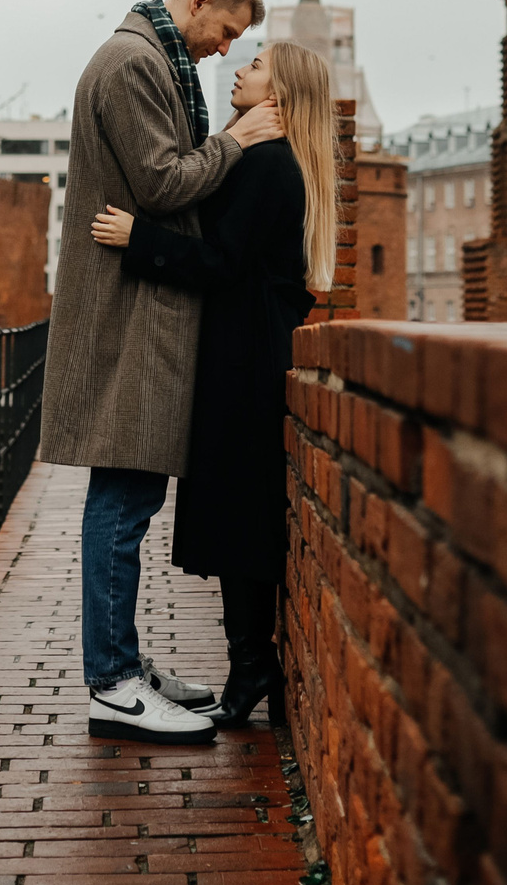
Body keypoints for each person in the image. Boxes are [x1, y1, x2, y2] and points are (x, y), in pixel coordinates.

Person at [41, 0, 285, 746]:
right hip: (127, 320)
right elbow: (164, 183)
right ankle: (111, 683)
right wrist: (241, 140)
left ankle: (124, 663)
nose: (224, 50)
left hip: (136, 313)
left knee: (130, 499)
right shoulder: (133, 63)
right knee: (121, 503)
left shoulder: (147, 59)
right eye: (226, 31)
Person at [91, 38, 333, 727]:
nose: (240, 69)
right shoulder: (267, 160)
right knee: (241, 507)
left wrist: (140, 239)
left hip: (247, 353)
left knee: (242, 510)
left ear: (280, 96)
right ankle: (248, 663)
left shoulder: (269, 166)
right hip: (248, 344)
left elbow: (222, 261)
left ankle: (251, 665)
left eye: (255, 66)